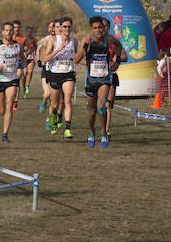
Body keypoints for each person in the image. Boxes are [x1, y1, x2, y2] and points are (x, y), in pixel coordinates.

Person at [74, 16, 115, 148]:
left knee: (101, 106)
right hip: (90, 81)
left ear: (104, 28)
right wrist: (85, 45)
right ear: (91, 29)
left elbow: (121, 52)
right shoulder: (87, 41)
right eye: (95, 28)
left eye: (100, 27)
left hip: (104, 79)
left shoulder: (109, 40)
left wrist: (117, 61)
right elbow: (76, 59)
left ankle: (104, 132)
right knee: (92, 111)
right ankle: (91, 130)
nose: (98, 30)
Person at [0, 21, 25, 143]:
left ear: (13, 32)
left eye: (10, 30)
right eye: (6, 30)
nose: (8, 32)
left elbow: (23, 58)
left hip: (12, 79)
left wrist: (24, 68)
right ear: (3, 32)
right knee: (1, 111)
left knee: (10, 105)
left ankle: (5, 135)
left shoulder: (18, 46)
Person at [41, 16, 76, 138]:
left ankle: (67, 129)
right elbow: (45, 59)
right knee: (55, 104)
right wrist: (58, 50)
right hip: (55, 74)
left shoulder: (73, 41)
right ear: (60, 27)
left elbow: (77, 58)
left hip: (69, 74)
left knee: (67, 101)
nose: (67, 29)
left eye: (69, 26)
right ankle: (54, 122)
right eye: (64, 26)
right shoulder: (54, 41)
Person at [102, 18, 127, 139]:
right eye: (101, 26)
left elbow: (124, 57)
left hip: (111, 75)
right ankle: (103, 127)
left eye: (106, 26)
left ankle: (106, 131)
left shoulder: (114, 41)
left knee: (108, 105)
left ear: (109, 27)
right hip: (98, 76)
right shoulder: (95, 41)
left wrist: (117, 58)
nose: (103, 28)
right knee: (99, 105)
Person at [36, 19, 57, 123]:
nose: (52, 28)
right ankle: (44, 101)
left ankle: (48, 120)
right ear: (48, 28)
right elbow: (38, 49)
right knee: (47, 94)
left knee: (54, 99)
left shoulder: (60, 40)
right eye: (51, 26)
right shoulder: (45, 39)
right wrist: (38, 60)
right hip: (46, 69)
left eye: (54, 26)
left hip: (56, 71)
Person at [19, 25, 37, 97]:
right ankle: (23, 88)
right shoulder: (23, 39)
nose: (30, 33)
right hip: (24, 59)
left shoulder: (33, 40)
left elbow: (36, 49)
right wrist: (25, 52)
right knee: (23, 77)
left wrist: (35, 57)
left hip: (31, 59)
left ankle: (27, 86)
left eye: (31, 32)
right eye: (29, 32)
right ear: (26, 32)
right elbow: (21, 49)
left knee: (30, 71)